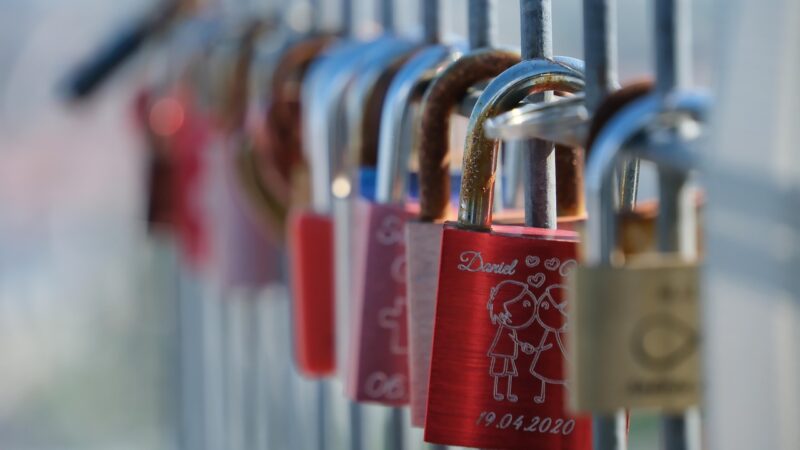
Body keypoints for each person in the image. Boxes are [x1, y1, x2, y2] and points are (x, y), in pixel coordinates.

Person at [486, 280, 537, 402]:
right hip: (501, 352)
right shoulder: (505, 329)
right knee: (499, 372)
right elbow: (511, 338)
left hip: (508, 353)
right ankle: (498, 392)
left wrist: (522, 344)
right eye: (522, 304)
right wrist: (522, 344)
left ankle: (507, 393)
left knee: (508, 373)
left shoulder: (511, 329)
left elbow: (514, 338)